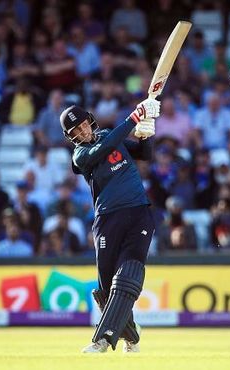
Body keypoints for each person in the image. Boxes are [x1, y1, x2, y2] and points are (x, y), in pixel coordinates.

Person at [59, 97, 159, 353]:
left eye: (83, 125)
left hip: (138, 212)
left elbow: (144, 155)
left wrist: (146, 133)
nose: (82, 131)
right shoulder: (80, 156)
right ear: (71, 137)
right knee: (106, 288)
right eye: (76, 131)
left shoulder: (107, 134)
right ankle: (132, 337)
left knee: (128, 275)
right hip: (107, 219)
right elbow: (99, 152)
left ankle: (101, 340)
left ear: (90, 120)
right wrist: (133, 119)